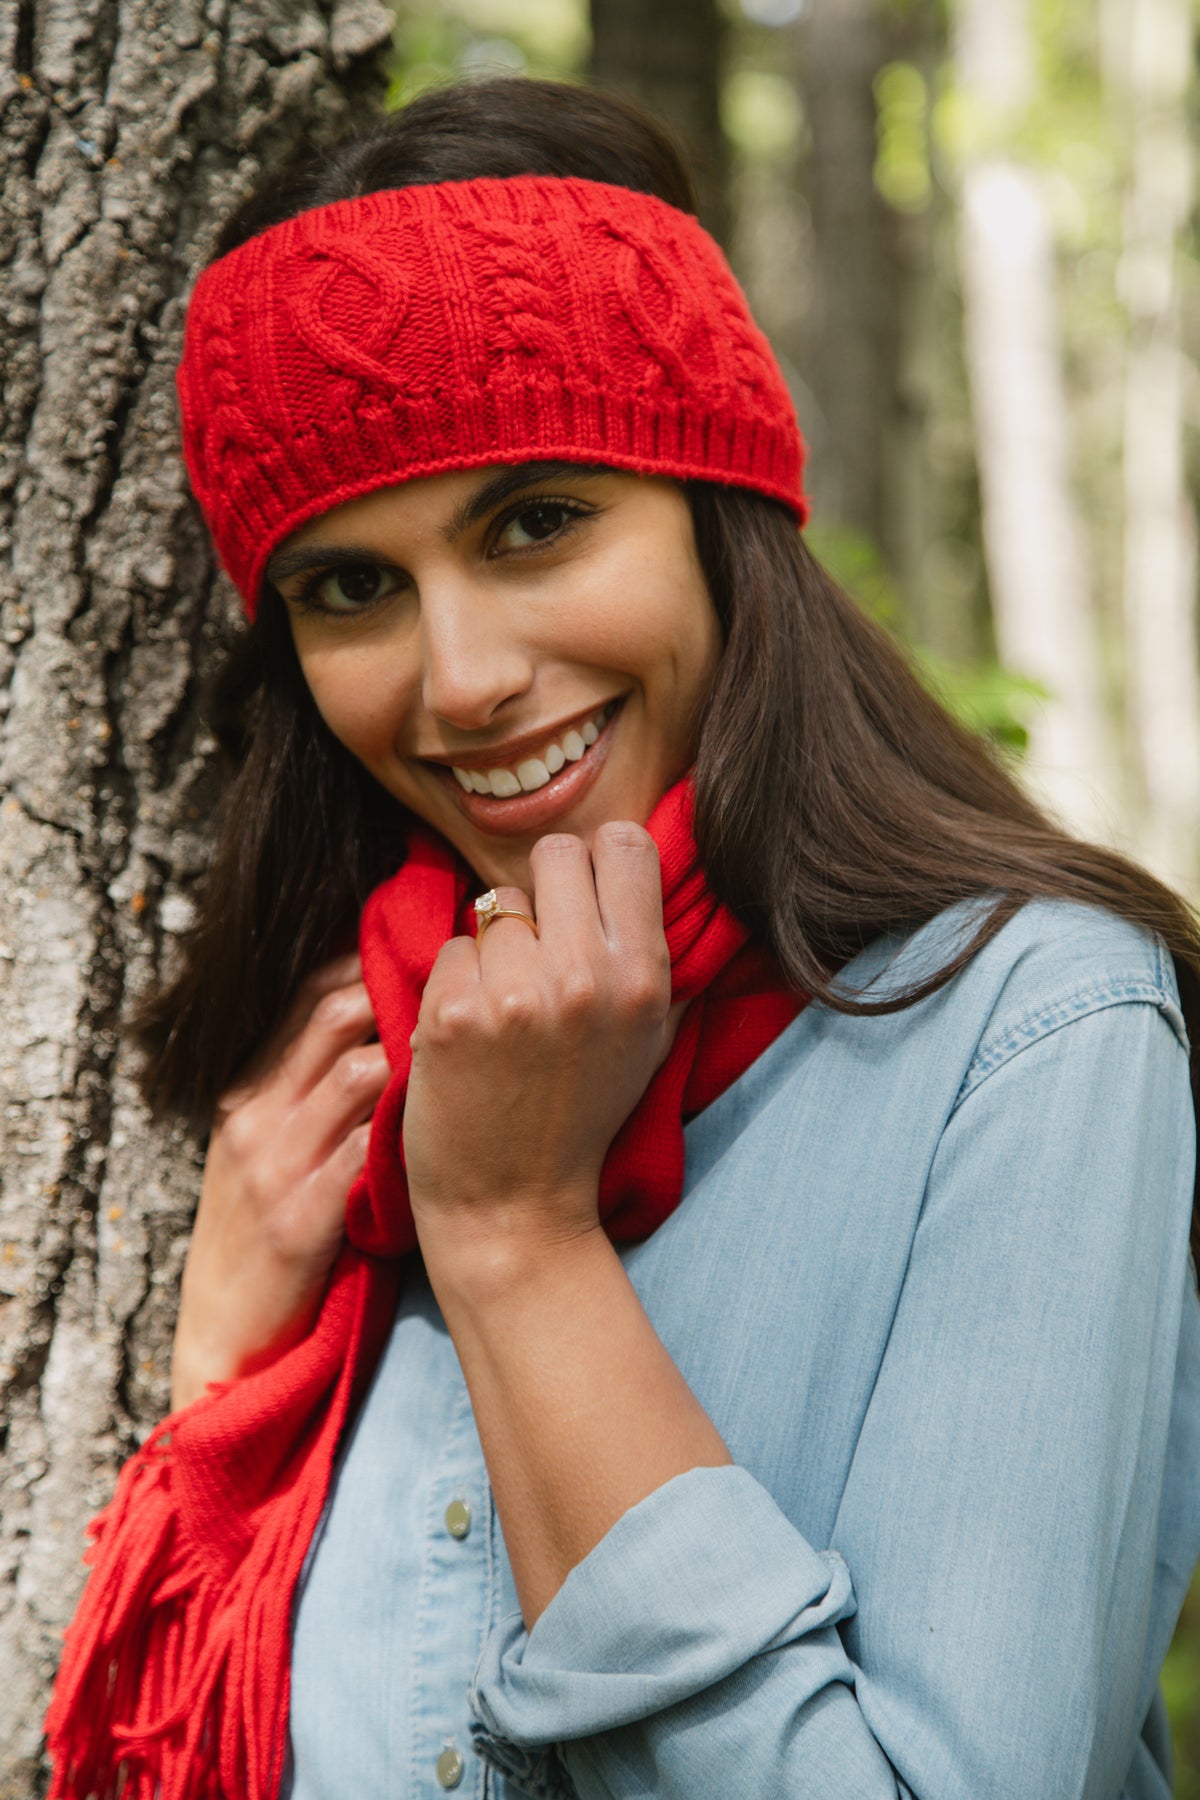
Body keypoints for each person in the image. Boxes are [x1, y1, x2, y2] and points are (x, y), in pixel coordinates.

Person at [45, 76, 1200, 1800]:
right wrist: (226, 1381)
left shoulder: (1030, 1030)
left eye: (536, 523)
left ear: (724, 523)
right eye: (349, 585)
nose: (462, 677)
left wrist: (515, 1238)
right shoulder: (352, 1077)